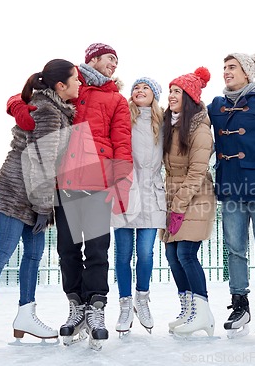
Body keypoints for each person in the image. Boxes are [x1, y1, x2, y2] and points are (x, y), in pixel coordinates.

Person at [6, 43, 132, 350]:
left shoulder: (117, 99)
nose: (114, 64)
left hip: (99, 181)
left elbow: (122, 145)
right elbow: (24, 95)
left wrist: (121, 187)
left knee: (98, 249)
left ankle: (96, 309)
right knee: (68, 249)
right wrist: (18, 107)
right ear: (93, 59)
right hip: (66, 181)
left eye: (117, 60)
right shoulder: (71, 86)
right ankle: (76, 306)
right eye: (109, 58)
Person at [0, 59, 80, 356]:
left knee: (33, 255)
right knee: (2, 251)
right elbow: (39, 161)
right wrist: (44, 208)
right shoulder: (50, 113)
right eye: (75, 79)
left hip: (34, 194)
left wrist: (42, 205)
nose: (79, 84)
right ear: (60, 86)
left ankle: (26, 314)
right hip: (17, 191)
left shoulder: (57, 110)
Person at [207, 53, 255, 343]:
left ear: (248, 72)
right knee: (235, 250)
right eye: (224, 67)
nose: (226, 72)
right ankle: (239, 305)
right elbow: (192, 122)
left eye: (232, 67)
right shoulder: (216, 105)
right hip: (230, 188)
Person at [160, 67, 216, 338]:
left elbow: (196, 172)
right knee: (172, 255)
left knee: (186, 254)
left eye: (177, 91)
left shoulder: (200, 129)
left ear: (190, 97)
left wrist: (179, 205)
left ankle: (203, 313)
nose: (171, 95)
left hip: (196, 196)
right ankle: (188, 309)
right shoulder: (170, 124)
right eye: (170, 90)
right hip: (175, 196)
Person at [111, 77, 166, 336]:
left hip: (152, 194)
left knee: (145, 253)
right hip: (125, 192)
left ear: (155, 95)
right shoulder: (123, 118)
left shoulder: (163, 123)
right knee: (123, 255)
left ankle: (142, 299)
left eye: (146, 88)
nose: (139, 90)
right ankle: (124, 304)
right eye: (136, 87)